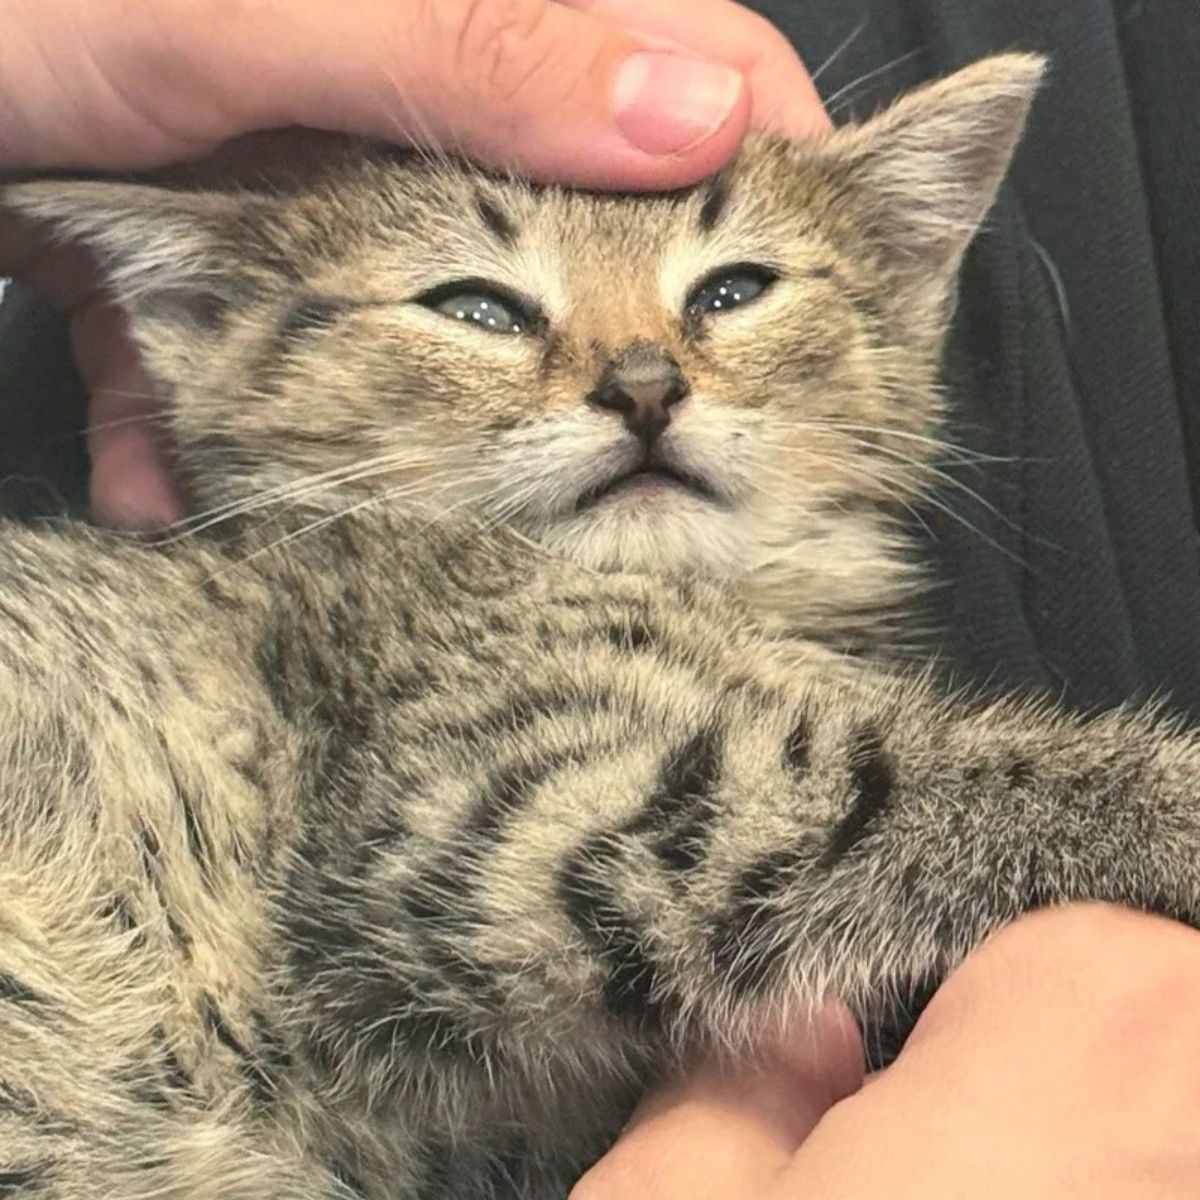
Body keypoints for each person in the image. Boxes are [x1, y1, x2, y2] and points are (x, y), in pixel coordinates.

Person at [4, 1, 1200, 1195]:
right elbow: (541, 891)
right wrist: (1140, 813)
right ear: (207, 325)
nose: (640, 375)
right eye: (479, 306)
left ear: (901, 277)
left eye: (730, 288)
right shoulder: (392, 603)